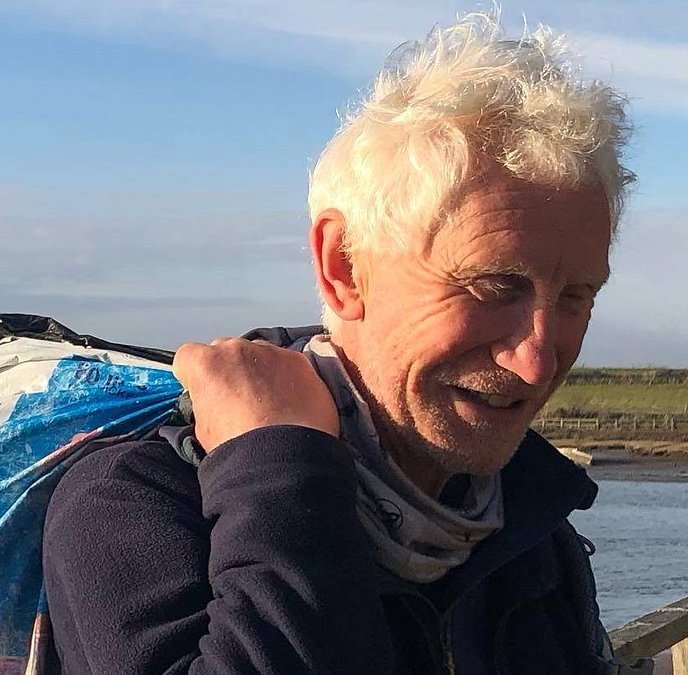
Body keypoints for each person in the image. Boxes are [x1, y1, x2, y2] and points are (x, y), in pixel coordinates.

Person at [41, 13, 634, 675]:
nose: (536, 359)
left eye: (578, 296)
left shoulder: (526, 521)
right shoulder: (133, 503)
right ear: (344, 267)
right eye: (495, 286)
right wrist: (277, 473)